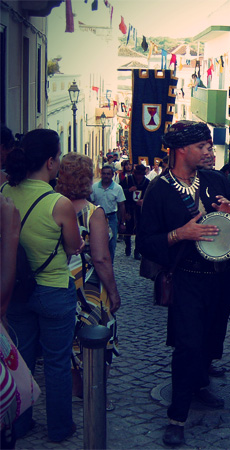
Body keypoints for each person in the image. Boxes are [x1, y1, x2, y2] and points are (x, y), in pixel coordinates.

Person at [137, 120, 230, 447]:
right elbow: (146, 242)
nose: (208, 151)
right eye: (202, 146)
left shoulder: (215, 180)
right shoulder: (159, 190)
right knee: (188, 345)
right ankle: (177, 416)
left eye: (208, 145)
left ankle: (200, 383)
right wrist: (180, 234)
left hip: (221, 277)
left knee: (213, 338)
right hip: (187, 279)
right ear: (182, 150)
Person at [2, 129, 84, 442]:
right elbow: (74, 246)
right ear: (50, 162)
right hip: (52, 289)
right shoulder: (59, 203)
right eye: (59, 156)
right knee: (57, 362)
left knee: (19, 358)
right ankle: (60, 428)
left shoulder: (5, 191)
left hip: (18, 289)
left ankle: (20, 424)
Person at [55, 153, 122, 410]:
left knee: (71, 337)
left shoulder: (53, 206)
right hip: (91, 287)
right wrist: (114, 293)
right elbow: (102, 258)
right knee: (99, 337)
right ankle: (96, 394)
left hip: (62, 281)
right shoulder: (93, 212)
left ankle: (74, 390)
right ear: (86, 178)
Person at [91, 164, 126, 261]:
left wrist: (122, 222)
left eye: (108, 174)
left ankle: (110, 264)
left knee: (111, 243)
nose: (106, 176)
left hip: (111, 218)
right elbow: (91, 202)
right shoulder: (94, 187)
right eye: (104, 174)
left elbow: (121, 205)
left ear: (112, 175)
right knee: (96, 242)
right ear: (101, 174)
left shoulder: (117, 188)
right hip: (97, 218)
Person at [120, 164, 150, 259]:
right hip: (129, 208)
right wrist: (128, 190)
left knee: (139, 230)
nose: (139, 176)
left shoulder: (147, 182)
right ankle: (127, 246)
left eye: (141, 174)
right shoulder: (128, 180)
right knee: (128, 228)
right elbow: (120, 191)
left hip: (140, 210)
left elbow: (150, 195)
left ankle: (137, 251)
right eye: (137, 174)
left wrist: (144, 200)